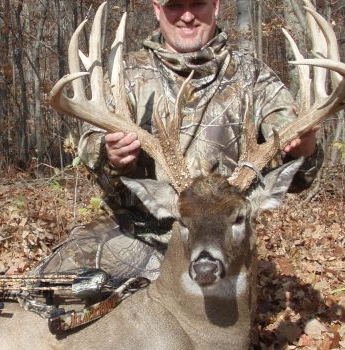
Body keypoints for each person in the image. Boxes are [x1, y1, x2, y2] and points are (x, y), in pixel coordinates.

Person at [33, 0, 321, 282]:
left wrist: (303, 150)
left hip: (219, 234)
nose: (186, 16)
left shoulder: (254, 77)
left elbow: (290, 148)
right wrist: (109, 153)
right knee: (58, 280)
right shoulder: (128, 75)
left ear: (216, 6)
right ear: (157, 9)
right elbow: (90, 143)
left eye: (197, 4)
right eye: (174, 6)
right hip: (140, 233)